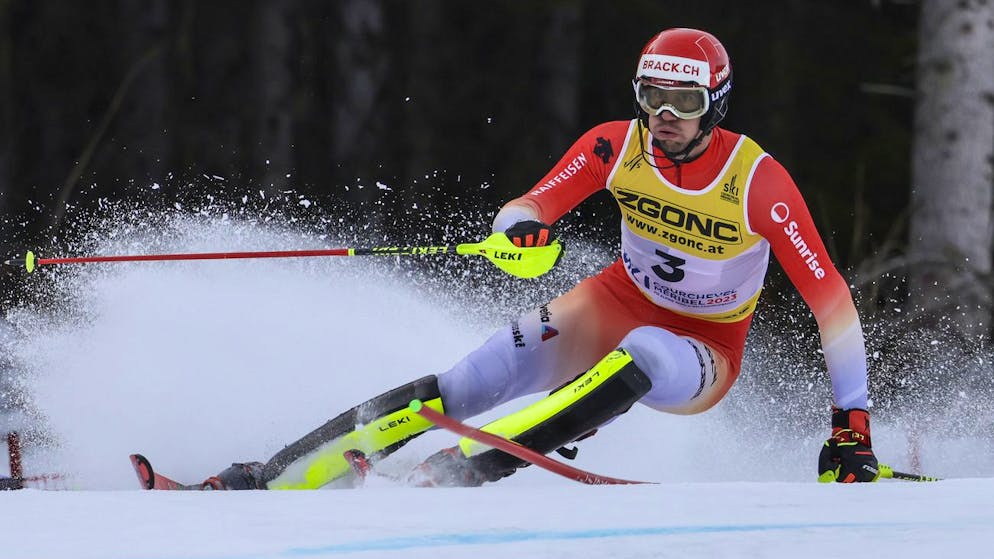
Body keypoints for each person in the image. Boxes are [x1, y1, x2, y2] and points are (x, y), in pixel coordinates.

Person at [206, 27, 877, 490]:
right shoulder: (617, 148)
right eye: (651, 97)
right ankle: (275, 474)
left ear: (716, 107)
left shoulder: (757, 180)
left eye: (685, 103)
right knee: (469, 379)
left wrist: (852, 423)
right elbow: (531, 204)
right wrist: (522, 230)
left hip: (704, 348)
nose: (664, 116)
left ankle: (447, 474)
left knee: (644, 350)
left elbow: (832, 302)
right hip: (612, 300)